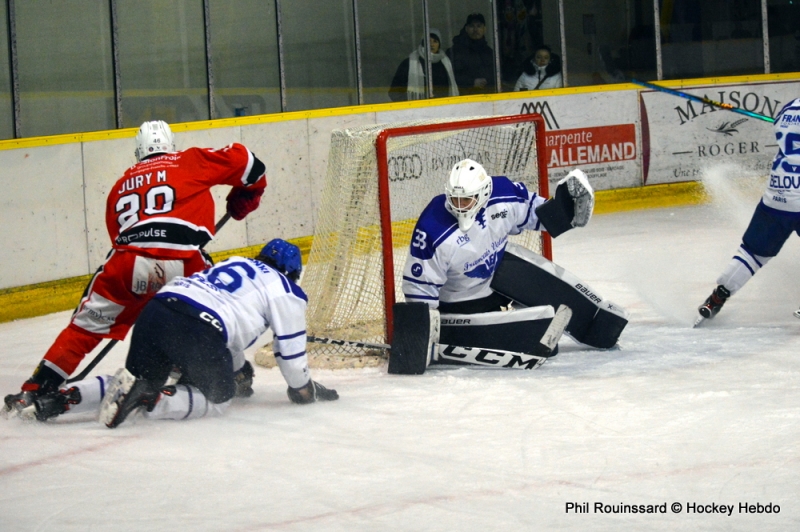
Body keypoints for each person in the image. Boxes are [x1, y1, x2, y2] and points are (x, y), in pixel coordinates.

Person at [4, 120, 268, 415]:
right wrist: (245, 197)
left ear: (138, 152)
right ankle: (230, 372)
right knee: (212, 315)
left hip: (128, 262)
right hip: (185, 264)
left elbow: (119, 238)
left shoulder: (119, 186)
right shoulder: (189, 160)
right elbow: (250, 163)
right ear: (171, 145)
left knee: (83, 329)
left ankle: (38, 387)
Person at [24, 239, 339, 427]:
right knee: (218, 398)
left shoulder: (235, 262)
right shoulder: (285, 288)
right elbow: (290, 354)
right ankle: (153, 399)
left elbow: (227, 337)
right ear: (293, 273)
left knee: (135, 378)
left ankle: (60, 400)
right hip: (198, 326)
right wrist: (303, 390)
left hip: (158, 311)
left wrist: (234, 369)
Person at [391, 159, 627, 375]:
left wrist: (566, 211)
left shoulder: (504, 194)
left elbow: (540, 215)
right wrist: (421, 336)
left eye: (467, 200)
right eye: (455, 199)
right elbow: (419, 291)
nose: (460, 206)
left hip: (500, 268)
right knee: (543, 344)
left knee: (548, 296)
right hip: (461, 300)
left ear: (483, 193)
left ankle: (595, 324)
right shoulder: (432, 229)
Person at [697, 98, 800, 324]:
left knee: (753, 253)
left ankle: (716, 298)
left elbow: (780, 125)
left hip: (779, 194)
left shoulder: (789, 107)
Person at [388, 29, 459, 102]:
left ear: (439, 44)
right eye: (428, 41)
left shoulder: (446, 63)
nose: (431, 44)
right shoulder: (409, 63)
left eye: (435, 41)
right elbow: (394, 93)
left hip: (442, 108)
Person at [446, 13, 496, 96]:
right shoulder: (455, 51)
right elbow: (450, 76)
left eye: (479, 26)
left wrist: (487, 81)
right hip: (463, 98)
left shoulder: (490, 53)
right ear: (466, 29)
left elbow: (497, 75)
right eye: (472, 26)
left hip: (487, 98)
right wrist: (472, 82)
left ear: (484, 29)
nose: (475, 29)